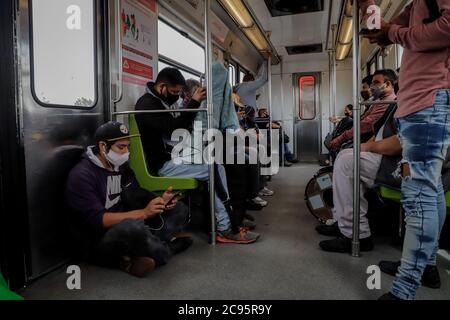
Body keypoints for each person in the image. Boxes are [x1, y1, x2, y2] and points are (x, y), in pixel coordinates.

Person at [359, 0, 450, 300]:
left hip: (429, 98)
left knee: (418, 194)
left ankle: (404, 290)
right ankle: (424, 266)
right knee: (430, 188)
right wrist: (369, 7)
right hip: (420, 102)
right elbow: (380, 31)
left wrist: (396, 34)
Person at [135, 67, 260, 244]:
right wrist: (194, 102)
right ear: (162, 87)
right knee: (213, 169)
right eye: (174, 92)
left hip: (173, 157)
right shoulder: (147, 105)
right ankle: (225, 227)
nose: (177, 96)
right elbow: (172, 129)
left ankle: (229, 219)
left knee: (219, 165)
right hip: (163, 166)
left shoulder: (160, 102)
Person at [66, 122, 193, 278]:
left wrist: (160, 201)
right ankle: (166, 250)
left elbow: (135, 193)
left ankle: (137, 253)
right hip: (99, 239)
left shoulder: (121, 167)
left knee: (179, 209)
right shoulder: (82, 175)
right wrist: (144, 213)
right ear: (103, 146)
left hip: (127, 221)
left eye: (128, 147)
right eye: (121, 147)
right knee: (133, 227)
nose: (126, 152)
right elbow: (98, 220)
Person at [318, 104, 401, 253]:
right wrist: (364, 146)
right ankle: (342, 222)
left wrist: (367, 147)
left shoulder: (416, 103)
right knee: (345, 156)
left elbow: (400, 142)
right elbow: (379, 132)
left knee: (347, 163)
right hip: (382, 153)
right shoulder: (395, 105)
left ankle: (357, 234)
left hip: (393, 160)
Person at [330, 69, 397, 152]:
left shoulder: (388, 102)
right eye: (372, 83)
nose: (372, 87)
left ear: (387, 84)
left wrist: (341, 138)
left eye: (376, 83)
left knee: (344, 152)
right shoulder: (378, 101)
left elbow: (366, 124)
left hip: (371, 139)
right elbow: (362, 118)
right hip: (365, 136)